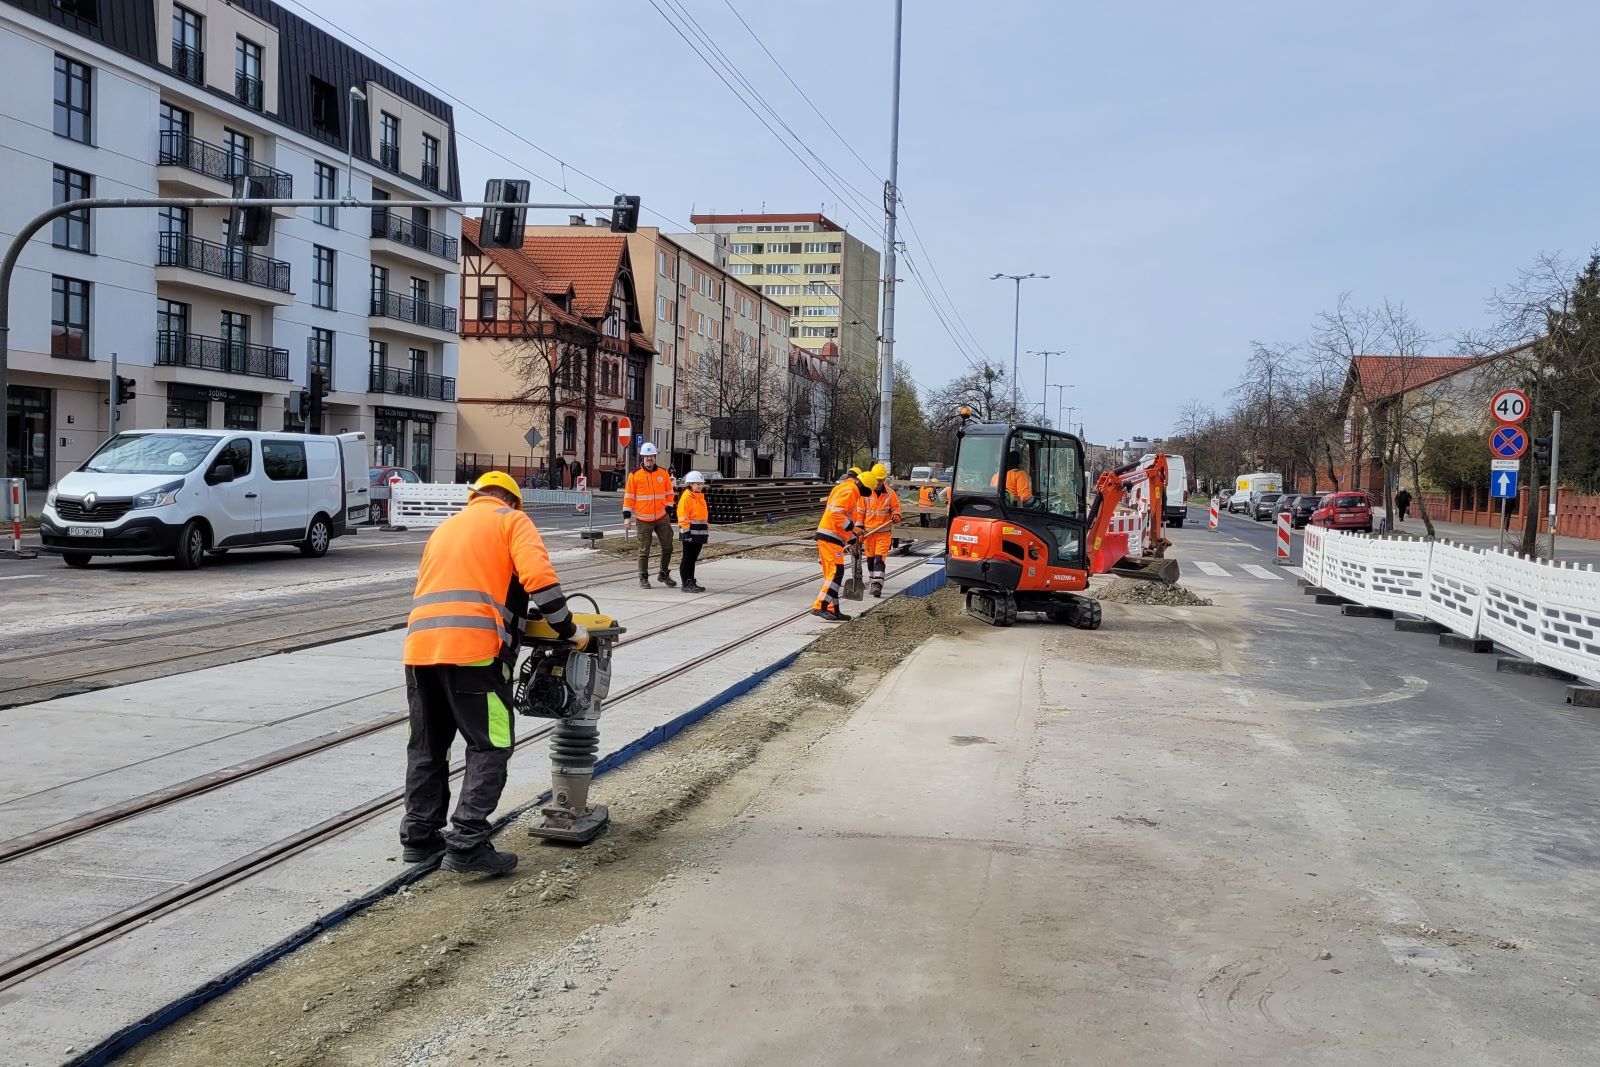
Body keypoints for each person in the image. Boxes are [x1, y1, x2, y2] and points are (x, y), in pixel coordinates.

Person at [401, 471, 589, 876]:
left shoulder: (446, 528)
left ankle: (420, 837)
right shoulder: (512, 520)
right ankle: (467, 843)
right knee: (491, 744)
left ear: (475, 497)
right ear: (513, 501)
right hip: (476, 653)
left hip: (420, 651)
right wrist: (569, 630)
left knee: (428, 746)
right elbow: (540, 581)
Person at [812, 465, 879, 622]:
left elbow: (841, 516)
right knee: (836, 572)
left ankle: (833, 609)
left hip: (831, 536)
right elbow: (836, 515)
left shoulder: (844, 489)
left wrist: (852, 538)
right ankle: (820, 605)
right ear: (865, 487)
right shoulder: (850, 492)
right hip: (830, 537)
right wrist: (853, 528)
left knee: (832, 575)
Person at [623, 442, 676, 588]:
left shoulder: (663, 473)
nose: (649, 459)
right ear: (643, 457)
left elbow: (670, 493)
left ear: (655, 457)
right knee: (644, 550)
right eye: (647, 456)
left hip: (661, 517)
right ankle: (643, 577)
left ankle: (663, 573)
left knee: (668, 546)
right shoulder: (635, 475)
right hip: (643, 519)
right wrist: (627, 517)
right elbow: (629, 497)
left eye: (651, 456)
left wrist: (668, 509)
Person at [862, 463, 902, 597]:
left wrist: (896, 515)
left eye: (881, 480)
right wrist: (858, 529)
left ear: (885, 479)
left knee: (879, 558)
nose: (879, 483)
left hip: (883, 533)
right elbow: (860, 513)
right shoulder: (866, 494)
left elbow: (896, 508)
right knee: (870, 559)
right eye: (877, 479)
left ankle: (877, 585)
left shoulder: (890, 494)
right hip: (868, 534)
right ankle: (872, 581)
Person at [676, 470, 710, 592]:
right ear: (690, 484)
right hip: (690, 533)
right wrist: (686, 532)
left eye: (701, 484)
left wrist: (705, 528)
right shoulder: (687, 497)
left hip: (699, 533)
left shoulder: (700, 497)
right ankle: (686, 583)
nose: (700, 486)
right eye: (697, 484)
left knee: (692, 559)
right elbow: (683, 515)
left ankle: (691, 580)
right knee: (688, 558)